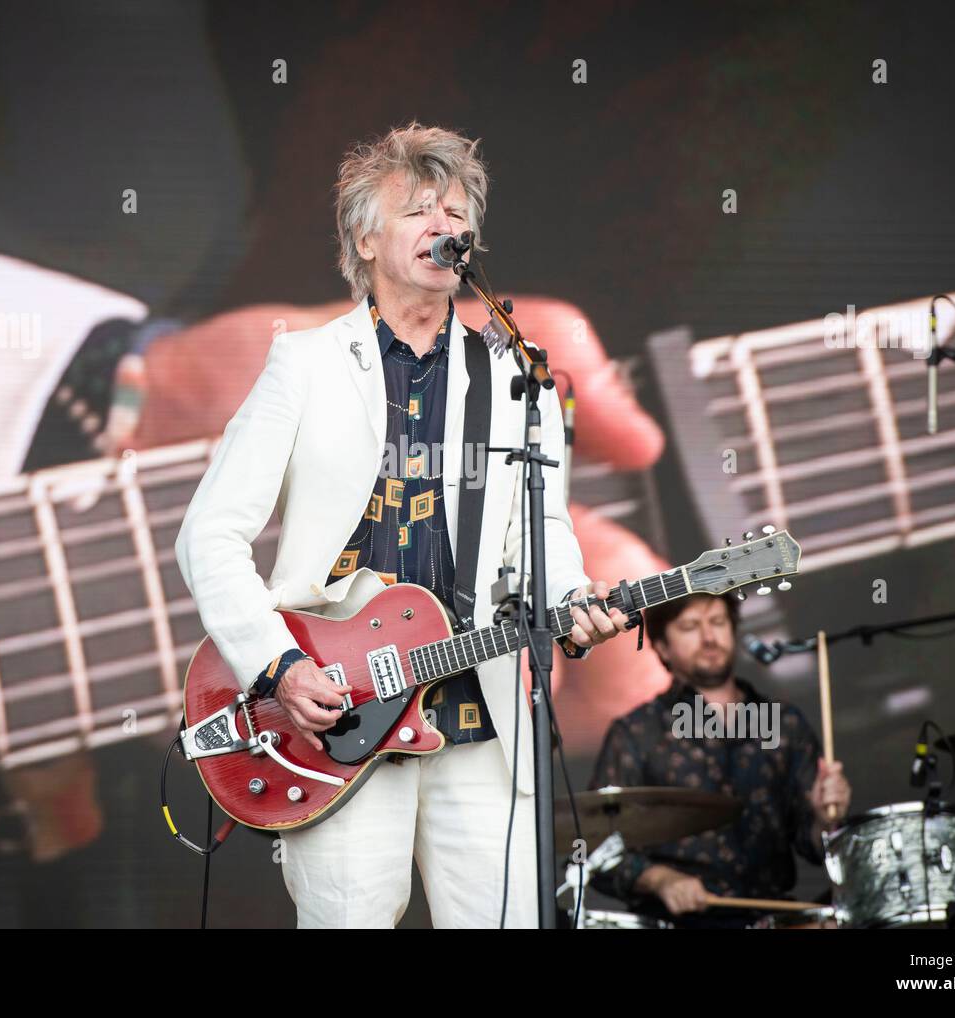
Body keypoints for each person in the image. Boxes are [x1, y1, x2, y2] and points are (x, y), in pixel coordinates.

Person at [175, 121, 631, 928]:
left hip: (478, 714)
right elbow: (207, 535)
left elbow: (543, 533)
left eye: (456, 212)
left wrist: (575, 601)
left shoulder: (515, 375)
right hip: (337, 712)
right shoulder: (306, 365)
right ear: (365, 234)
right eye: (419, 210)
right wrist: (278, 665)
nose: (444, 227)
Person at [588, 591, 851, 927]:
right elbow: (595, 848)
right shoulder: (637, 733)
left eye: (718, 622)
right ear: (662, 647)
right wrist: (660, 879)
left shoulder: (784, 723)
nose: (709, 637)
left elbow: (817, 848)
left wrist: (825, 818)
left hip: (772, 917)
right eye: (690, 626)